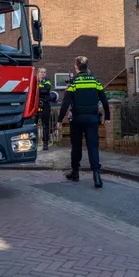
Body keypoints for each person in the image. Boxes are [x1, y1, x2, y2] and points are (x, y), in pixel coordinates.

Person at [57, 56, 110, 188]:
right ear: (87, 67)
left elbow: (65, 103)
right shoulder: (95, 81)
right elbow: (104, 100)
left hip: (77, 120)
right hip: (92, 119)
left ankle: (75, 173)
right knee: (93, 147)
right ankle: (97, 177)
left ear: (76, 67)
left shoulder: (74, 83)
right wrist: (107, 117)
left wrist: (59, 120)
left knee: (76, 147)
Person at [37, 68, 52, 151]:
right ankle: (33, 142)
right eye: (41, 72)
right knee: (34, 125)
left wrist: (39, 89)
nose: (43, 74)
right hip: (35, 105)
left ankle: (45, 143)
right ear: (38, 73)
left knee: (45, 125)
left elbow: (47, 89)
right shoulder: (35, 81)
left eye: (44, 72)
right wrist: (40, 90)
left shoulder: (47, 81)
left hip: (45, 105)